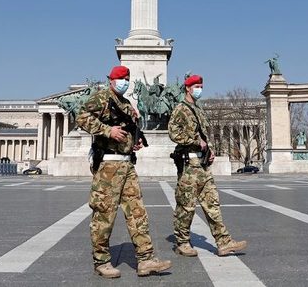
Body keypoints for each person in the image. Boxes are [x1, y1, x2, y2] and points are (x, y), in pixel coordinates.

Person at [76, 65, 172, 279]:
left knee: (137, 212)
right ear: (111, 80)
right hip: (108, 168)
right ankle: (101, 261)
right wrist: (107, 130)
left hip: (127, 166)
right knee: (104, 215)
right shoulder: (102, 98)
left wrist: (133, 142)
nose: (125, 82)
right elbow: (82, 117)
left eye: (127, 78)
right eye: (121, 78)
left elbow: (128, 131)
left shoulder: (127, 104)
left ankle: (145, 259)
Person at [168, 74, 247, 257]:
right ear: (188, 88)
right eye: (196, 86)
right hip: (189, 165)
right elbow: (173, 133)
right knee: (186, 206)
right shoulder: (181, 109)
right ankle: (182, 241)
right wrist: (195, 140)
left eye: (201, 86)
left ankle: (224, 242)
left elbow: (204, 137)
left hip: (202, 165)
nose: (199, 89)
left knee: (212, 203)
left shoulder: (199, 110)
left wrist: (209, 151)